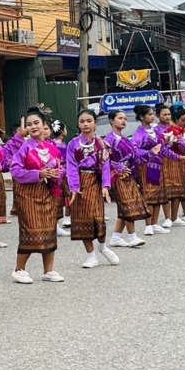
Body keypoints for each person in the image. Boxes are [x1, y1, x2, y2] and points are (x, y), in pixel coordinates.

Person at [8, 111, 65, 284]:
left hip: (47, 192)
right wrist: (38, 173)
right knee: (30, 230)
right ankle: (19, 269)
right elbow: (15, 171)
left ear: (44, 125)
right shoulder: (24, 147)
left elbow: (61, 168)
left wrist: (57, 174)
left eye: (36, 123)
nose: (33, 127)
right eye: (30, 124)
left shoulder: (52, 147)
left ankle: (48, 270)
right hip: (28, 194)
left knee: (49, 230)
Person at [64, 110, 116, 270]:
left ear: (95, 123)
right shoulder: (73, 144)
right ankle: (91, 255)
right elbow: (71, 166)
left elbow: (106, 167)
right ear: (78, 124)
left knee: (97, 217)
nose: (85, 124)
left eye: (88, 121)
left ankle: (102, 246)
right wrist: (74, 187)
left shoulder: (102, 144)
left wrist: (106, 186)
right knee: (82, 219)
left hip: (95, 182)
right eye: (82, 121)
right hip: (79, 184)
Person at [133, 105, 179, 236]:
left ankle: (154, 223)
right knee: (149, 195)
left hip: (158, 165)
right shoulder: (139, 133)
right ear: (142, 117)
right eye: (149, 114)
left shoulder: (155, 132)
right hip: (146, 166)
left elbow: (162, 148)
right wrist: (149, 153)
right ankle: (148, 225)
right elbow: (135, 150)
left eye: (153, 114)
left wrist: (177, 156)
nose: (152, 116)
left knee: (158, 195)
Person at [105, 111, 147, 248]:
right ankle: (132, 236)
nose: (123, 121)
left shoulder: (124, 139)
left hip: (128, 176)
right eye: (120, 118)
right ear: (112, 121)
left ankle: (116, 237)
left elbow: (134, 157)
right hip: (117, 176)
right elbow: (105, 160)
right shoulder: (108, 140)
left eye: (125, 119)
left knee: (125, 207)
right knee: (127, 205)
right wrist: (119, 168)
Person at [155, 104, 185, 230]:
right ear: (158, 116)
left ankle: (175, 216)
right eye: (164, 114)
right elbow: (156, 146)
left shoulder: (176, 129)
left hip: (175, 160)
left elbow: (183, 147)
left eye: (169, 114)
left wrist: (181, 143)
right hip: (162, 160)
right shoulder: (156, 130)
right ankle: (167, 217)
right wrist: (165, 143)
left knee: (177, 187)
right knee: (165, 189)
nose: (167, 117)